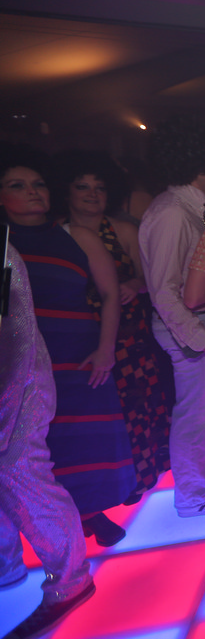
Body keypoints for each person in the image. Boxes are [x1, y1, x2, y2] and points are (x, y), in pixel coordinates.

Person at [1, 149, 135, 547]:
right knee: (36, 447)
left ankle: (89, 514)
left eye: (38, 184)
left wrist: (106, 348)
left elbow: (110, 295)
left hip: (78, 353)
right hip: (20, 360)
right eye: (18, 186)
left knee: (85, 442)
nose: (32, 191)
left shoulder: (76, 236)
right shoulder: (3, 243)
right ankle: (47, 529)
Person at [54, 152, 172, 504]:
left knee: (135, 409)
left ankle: (137, 479)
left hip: (129, 337)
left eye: (100, 188)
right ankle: (94, 491)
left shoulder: (123, 231)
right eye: (83, 187)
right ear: (67, 191)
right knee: (88, 416)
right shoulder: (56, 233)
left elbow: (154, 280)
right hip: (77, 337)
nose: (92, 194)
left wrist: (133, 285)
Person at [139, 117, 205, 518]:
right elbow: (164, 291)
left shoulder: (188, 208)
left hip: (201, 323)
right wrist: (204, 341)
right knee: (195, 412)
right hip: (187, 328)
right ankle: (193, 495)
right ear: (196, 163)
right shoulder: (172, 212)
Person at [1, 245, 96, 639]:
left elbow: (14, 336)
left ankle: (71, 582)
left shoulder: (2, 253)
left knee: (22, 474)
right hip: (11, 382)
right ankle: (6, 567)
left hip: (16, 386)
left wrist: (5, 409)